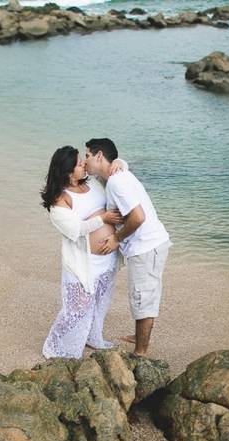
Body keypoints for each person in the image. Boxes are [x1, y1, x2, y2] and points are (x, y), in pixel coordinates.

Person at [84, 138, 171, 357]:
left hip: (147, 247)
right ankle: (138, 336)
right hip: (145, 246)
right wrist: (122, 161)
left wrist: (116, 239)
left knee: (143, 297)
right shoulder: (114, 177)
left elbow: (138, 217)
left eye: (87, 156)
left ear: (99, 156)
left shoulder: (116, 182)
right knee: (140, 295)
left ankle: (141, 351)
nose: (85, 161)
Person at [40, 145, 127, 359]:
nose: (84, 164)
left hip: (107, 259)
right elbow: (74, 230)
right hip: (83, 264)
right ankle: (54, 347)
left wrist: (120, 163)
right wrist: (103, 218)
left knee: (100, 301)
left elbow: (118, 173)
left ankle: (93, 337)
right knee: (76, 310)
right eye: (79, 163)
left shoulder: (93, 184)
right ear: (68, 172)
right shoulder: (60, 200)